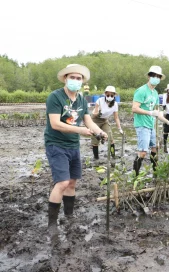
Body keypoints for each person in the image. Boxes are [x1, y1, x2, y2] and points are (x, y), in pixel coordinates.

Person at [45, 64, 108, 235]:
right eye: (72, 77)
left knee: (72, 182)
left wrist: (99, 131)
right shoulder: (55, 97)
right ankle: (52, 223)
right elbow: (55, 124)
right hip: (56, 144)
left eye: (78, 78)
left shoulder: (81, 99)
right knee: (62, 183)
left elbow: (88, 120)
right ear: (65, 78)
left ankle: (69, 215)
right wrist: (79, 130)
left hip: (73, 145)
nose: (75, 81)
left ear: (82, 82)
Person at [132, 66, 169, 176]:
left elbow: (158, 113)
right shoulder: (141, 91)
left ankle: (156, 174)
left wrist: (168, 122)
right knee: (143, 152)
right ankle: (135, 176)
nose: (156, 78)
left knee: (155, 148)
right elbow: (134, 108)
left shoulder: (155, 93)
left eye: (158, 76)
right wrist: (149, 113)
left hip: (151, 125)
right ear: (149, 76)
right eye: (153, 76)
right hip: (142, 125)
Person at [91, 86, 123, 160]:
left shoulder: (115, 104)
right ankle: (96, 157)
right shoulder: (99, 101)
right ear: (105, 94)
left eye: (112, 95)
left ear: (114, 95)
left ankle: (113, 156)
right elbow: (95, 113)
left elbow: (116, 117)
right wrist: (98, 112)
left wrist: (119, 128)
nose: (110, 97)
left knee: (110, 138)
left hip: (104, 120)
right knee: (95, 139)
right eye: (108, 95)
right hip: (95, 120)